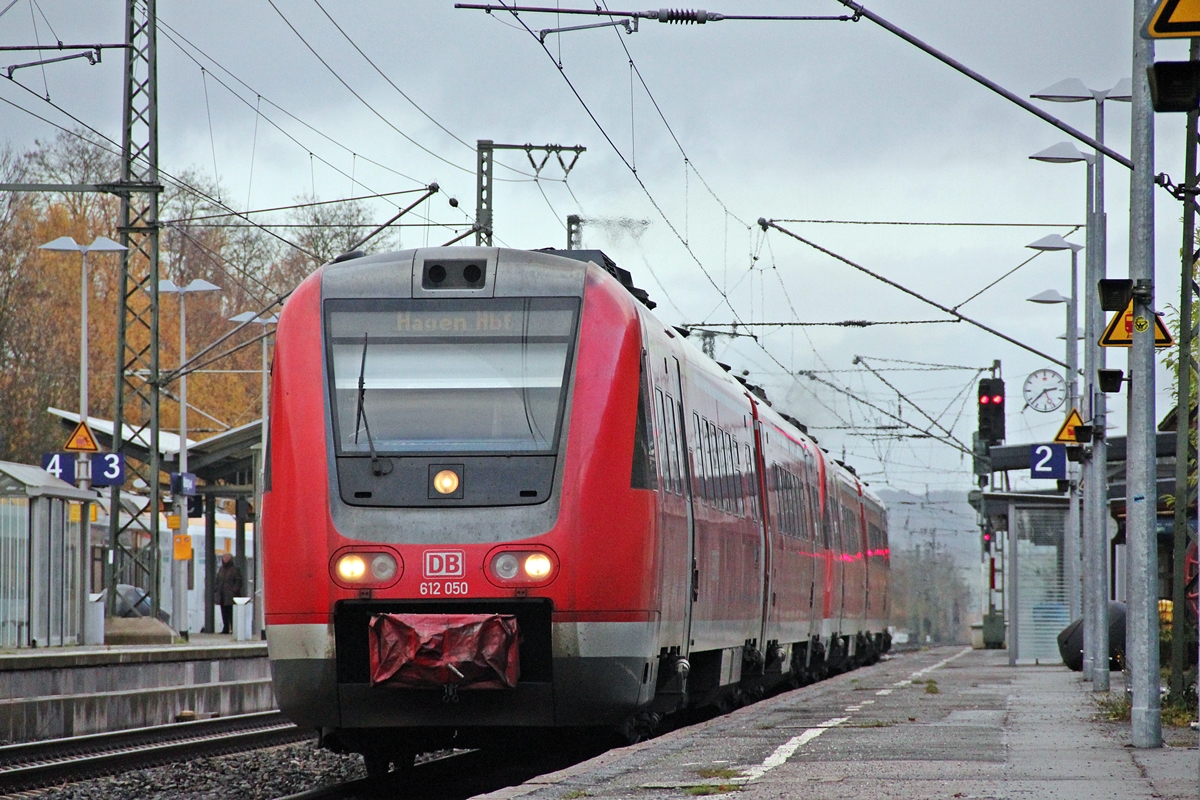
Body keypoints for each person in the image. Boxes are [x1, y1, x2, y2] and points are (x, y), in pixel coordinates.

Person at [214, 553, 244, 634]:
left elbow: (239, 581)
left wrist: (234, 590)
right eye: (224, 557)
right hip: (222, 595)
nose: (225, 559)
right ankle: (225, 628)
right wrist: (217, 588)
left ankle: (233, 628)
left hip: (231, 596)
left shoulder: (235, 569)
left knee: (231, 613)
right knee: (224, 612)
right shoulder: (221, 570)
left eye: (227, 558)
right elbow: (217, 580)